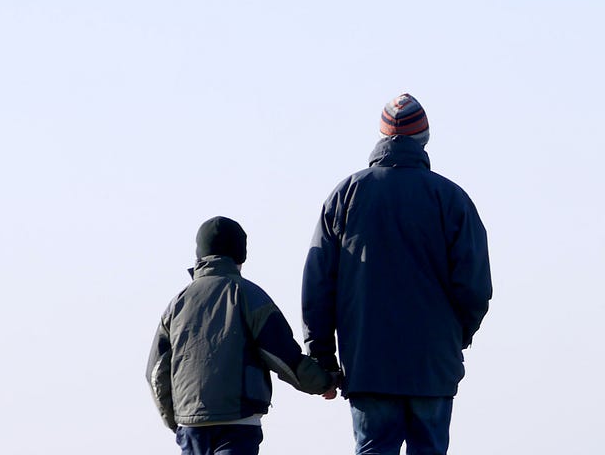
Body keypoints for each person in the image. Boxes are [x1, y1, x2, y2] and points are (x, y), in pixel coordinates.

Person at [302, 93, 492, 455]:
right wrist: (456, 336)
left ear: (381, 137)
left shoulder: (346, 195)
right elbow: (475, 287)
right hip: (432, 365)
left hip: (368, 365)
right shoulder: (451, 199)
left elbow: (318, 286)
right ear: (425, 139)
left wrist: (323, 358)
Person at [148, 216, 337, 455]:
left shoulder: (176, 305)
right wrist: (324, 383)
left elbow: (155, 371)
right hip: (237, 423)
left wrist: (175, 420)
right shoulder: (249, 295)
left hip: (190, 425)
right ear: (241, 255)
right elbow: (284, 357)